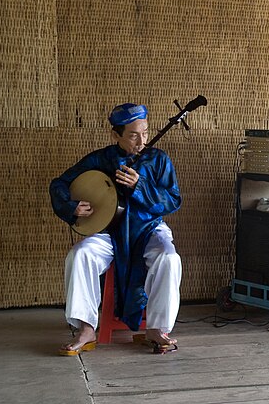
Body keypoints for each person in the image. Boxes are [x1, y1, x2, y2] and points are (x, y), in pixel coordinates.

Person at [50, 103, 183, 355]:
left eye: (145, 132)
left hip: (149, 229)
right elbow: (60, 183)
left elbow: (173, 200)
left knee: (169, 258)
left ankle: (157, 328)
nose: (141, 140)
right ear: (116, 135)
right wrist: (72, 207)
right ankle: (87, 328)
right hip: (110, 232)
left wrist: (140, 185)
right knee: (80, 255)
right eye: (133, 135)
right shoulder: (101, 159)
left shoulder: (158, 159)